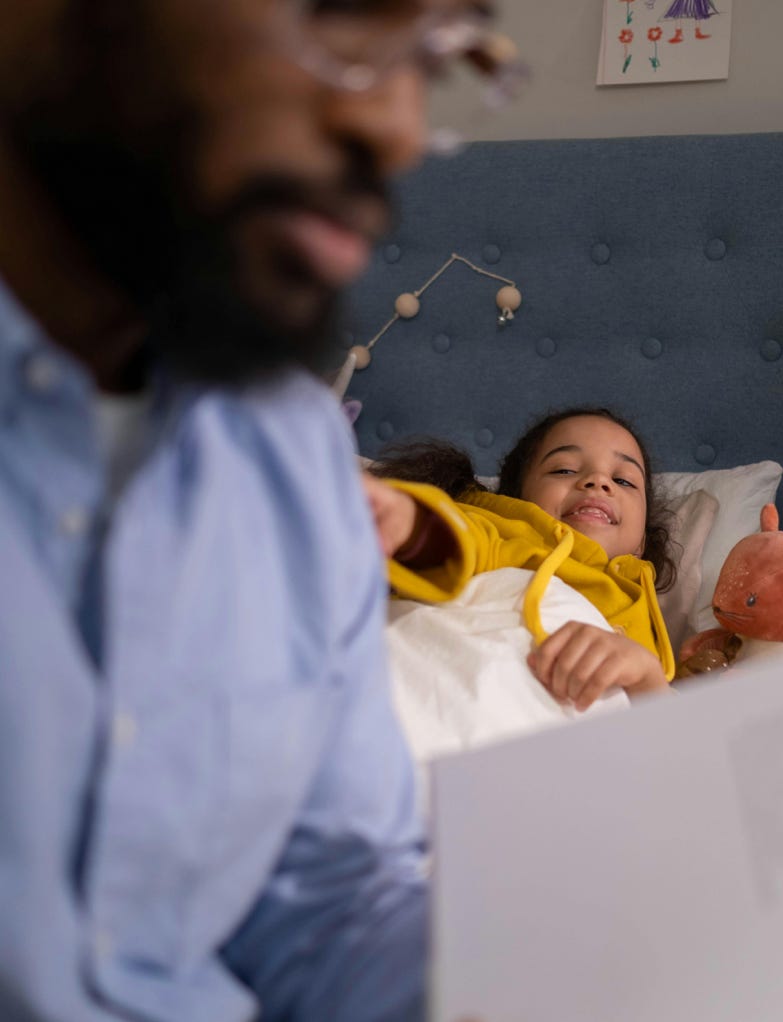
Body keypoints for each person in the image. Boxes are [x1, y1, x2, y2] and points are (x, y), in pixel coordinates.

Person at [0, 2, 522, 1020]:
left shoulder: (291, 450)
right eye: (346, 13)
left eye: (437, 58)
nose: (398, 128)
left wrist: (571, 967)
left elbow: (323, 905)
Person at [364, 406, 678, 711]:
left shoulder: (644, 612)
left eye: (624, 480)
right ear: (515, 499)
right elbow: (462, 538)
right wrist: (410, 525)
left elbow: (670, 741)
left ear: (642, 543)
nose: (598, 481)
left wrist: (647, 678)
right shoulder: (510, 533)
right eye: (564, 470)